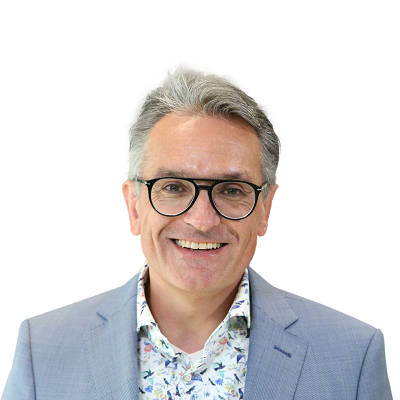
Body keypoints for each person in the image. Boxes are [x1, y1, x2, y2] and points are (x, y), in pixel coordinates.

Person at [2, 68, 392, 400]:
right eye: (173, 187)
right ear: (134, 206)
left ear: (265, 208)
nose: (202, 220)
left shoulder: (353, 358)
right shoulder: (42, 351)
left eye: (232, 190)